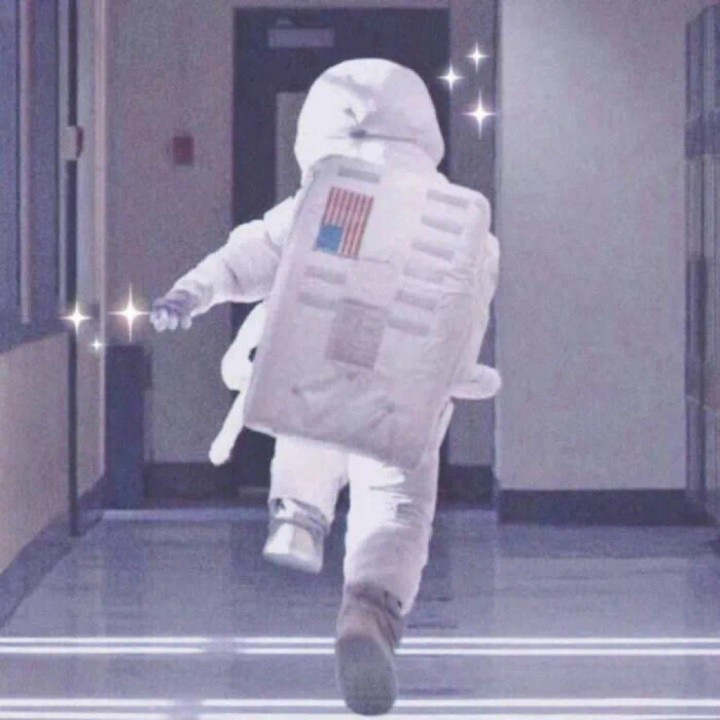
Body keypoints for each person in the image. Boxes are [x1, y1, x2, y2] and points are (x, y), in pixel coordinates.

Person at [151, 58, 499, 716]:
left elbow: (249, 257)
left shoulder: (327, 201)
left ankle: (300, 514)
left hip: (318, 373)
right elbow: (467, 311)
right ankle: (370, 607)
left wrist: (191, 292)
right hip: (407, 396)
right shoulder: (455, 214)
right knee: (397, 508)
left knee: (307, 421)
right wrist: (462, 376)